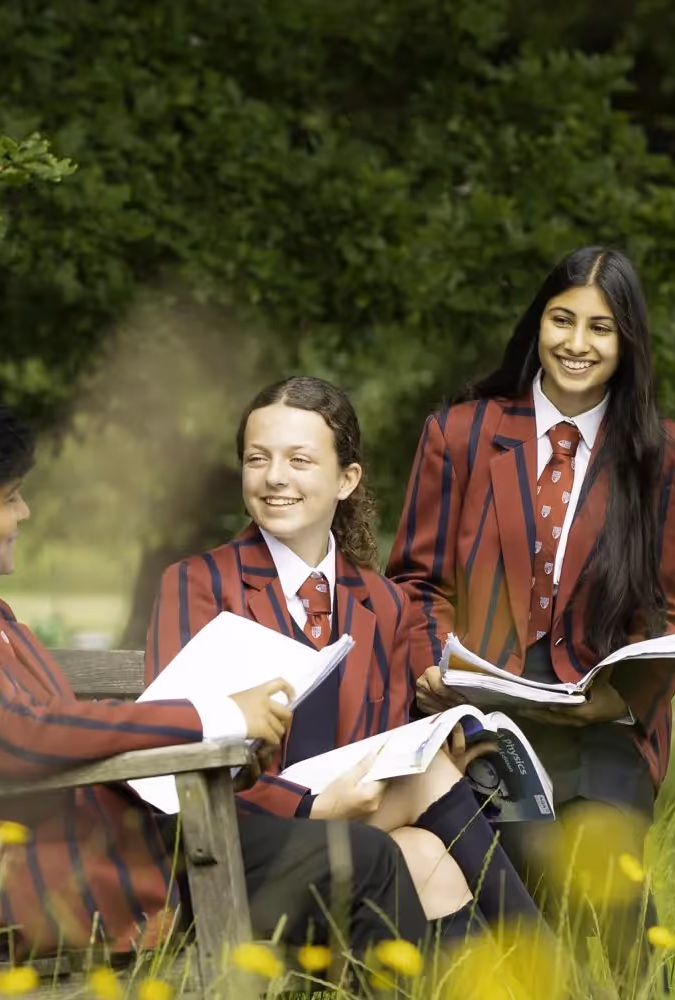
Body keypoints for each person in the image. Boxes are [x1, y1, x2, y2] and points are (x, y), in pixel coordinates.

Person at [0, 387, 426, 963]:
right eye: (9, 498)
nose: (25, 513)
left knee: (365, 857)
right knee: (363, 862)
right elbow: (15, 731)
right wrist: (215, 715)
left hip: (95, 849)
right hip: (39, 886)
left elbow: (36, 725)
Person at [388, 245, 675, 992]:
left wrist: (622, 696)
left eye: (601, 327)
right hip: (481, 702)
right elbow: (415, 580)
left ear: (626, 342)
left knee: (612, 879)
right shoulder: (460, 435)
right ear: (537, 325)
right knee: (532, 857)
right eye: (562, 320)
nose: (577, 343)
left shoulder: (666, 454)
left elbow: (671, 608)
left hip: (599, 714)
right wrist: (434, 663)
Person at [144, 375, 545, 939]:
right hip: (236, 842)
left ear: (347, 479)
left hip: (361, 838)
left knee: (424, 851)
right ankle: (554, 968)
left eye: (299, 460)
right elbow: (183, 748)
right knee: (423, 800)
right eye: (257, 459)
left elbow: (391, 740)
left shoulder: (382, 602)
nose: (274, 477)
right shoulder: (198, 585)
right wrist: (315, 806)